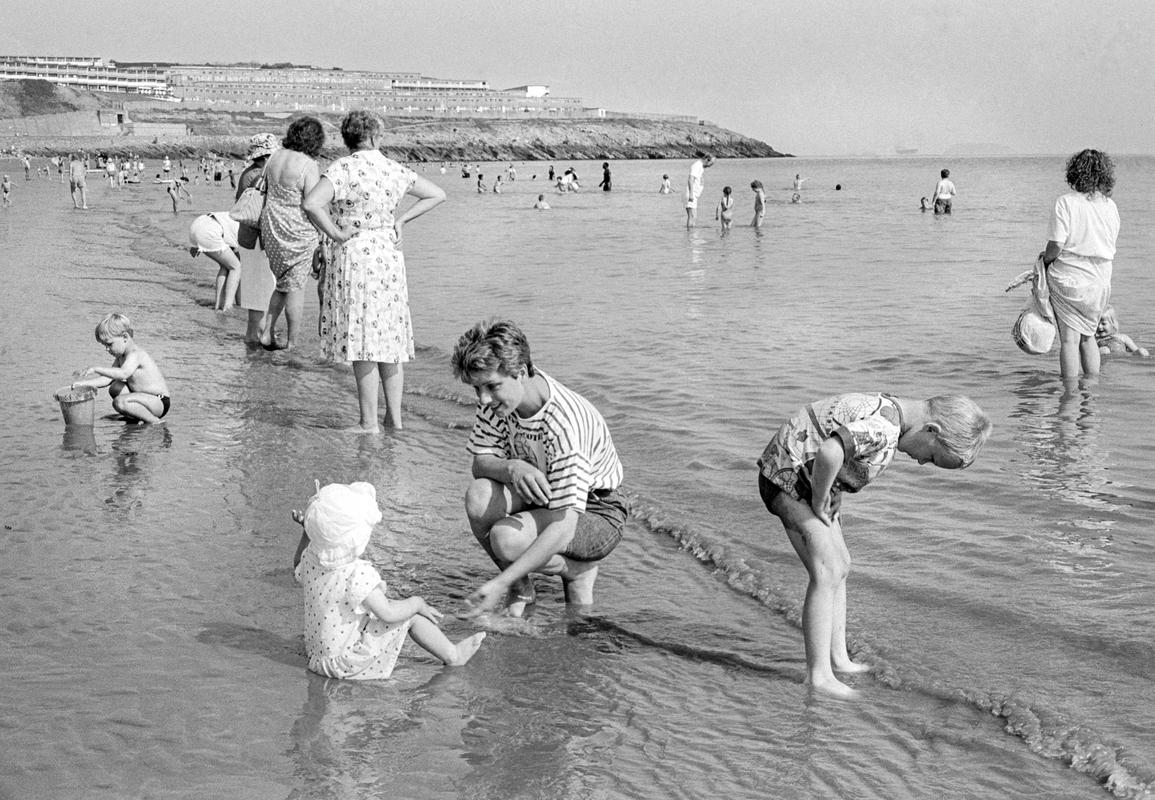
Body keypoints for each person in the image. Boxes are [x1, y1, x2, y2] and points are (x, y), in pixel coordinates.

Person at [758, 393, 991, 697]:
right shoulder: (884, 428)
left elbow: (834, 444)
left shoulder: (890, 413)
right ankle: (818, 676)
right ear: (931, 430)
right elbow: (830, 451)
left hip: (804, 476)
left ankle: (838, 658)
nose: (921, 461)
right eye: (932, 457)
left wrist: (832, 489)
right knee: (826, 571)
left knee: (841, 564)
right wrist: (819, 497)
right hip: (787, 478)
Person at [452, 320, 628, 617]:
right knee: (479, 496)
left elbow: (564, 526)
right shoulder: (497, 403)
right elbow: (480, 464)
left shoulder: (565, 422)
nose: (483, 399)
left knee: (506, 539)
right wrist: (513, 468)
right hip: (542, 495)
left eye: (492, 386)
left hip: (595, 510)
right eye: (477, 388)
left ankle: (576, 571)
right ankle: (522, 588)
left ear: (520, 372)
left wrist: (498, 582)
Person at [303, 110, 446, 432]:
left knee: (363, 340)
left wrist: (336, 234)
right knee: (389, 338)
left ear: (347, 138)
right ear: (377, 137)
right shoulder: (393, 168)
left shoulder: (343, 168)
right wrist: (401, 220)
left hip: (355, 256)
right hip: (388, 255)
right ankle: (394, 419)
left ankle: (368, 423)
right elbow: (437, 193)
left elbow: (312, 204)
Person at [292, 481, 486, 680]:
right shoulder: (357, 573)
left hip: (317, 658)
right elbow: (388, 614)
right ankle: (454, 655)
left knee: (369, 610)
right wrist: (416, 602)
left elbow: (297, 564)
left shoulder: (312, 560)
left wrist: (307, 535)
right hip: (344, 664)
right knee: (409, 616)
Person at [1041, 149, 1120, 382]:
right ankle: (1091, 393)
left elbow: (1056, 244)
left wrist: (1044, 261)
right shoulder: (1111, 206)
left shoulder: (1066, 203)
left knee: (1069, 339)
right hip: (1100, 280)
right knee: (1088, 337)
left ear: (1075, 173)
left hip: (1070, 278)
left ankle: (1069, 394)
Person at [259, 116, 325, 351]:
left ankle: (266, 332)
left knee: (283, 283)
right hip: (296, 228)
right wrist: (325, 234)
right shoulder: (308, 164)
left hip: (271, 223)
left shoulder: (274, 156)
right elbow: (313, 204)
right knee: (296, 287)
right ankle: (292, 344)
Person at [71, 312, 172, 424]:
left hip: (158, 401)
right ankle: (134, 417)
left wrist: (96, 369)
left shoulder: (136, 354)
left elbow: (123, 373)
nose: (107, 349)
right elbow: (107, 379)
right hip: (143, 399)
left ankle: (154, 421)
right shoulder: (121, 357)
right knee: (115, 387)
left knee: (119, 402)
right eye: (105, 346)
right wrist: (83, 384)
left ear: (125, 337)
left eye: (109, 344)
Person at [235, 133, 280, 345]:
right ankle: (260, 340)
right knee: (265, 294)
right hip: (259, 240)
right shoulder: (262, 175)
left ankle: (253, 338)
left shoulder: (248, 173)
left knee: (256, 296)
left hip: (247, 238)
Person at [188, 212, 242, 312]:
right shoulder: (247, 231)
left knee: (226, 266)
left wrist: (195, 245)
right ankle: (228, 307)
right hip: (210, 231)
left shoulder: (240, 217)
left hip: (198, 224)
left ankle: (219, 305)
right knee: (236, 267)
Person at [685, 153, 715, 227]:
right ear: (707, 160)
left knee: (694, 217)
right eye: (712, 163)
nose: (712, 165)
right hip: (691, 194)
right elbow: (690, 179)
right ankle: (690, 236)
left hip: (694, 195)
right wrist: (691, 194)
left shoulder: (700, 166)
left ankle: (691, 236)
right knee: (692, 217)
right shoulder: (697, 165)